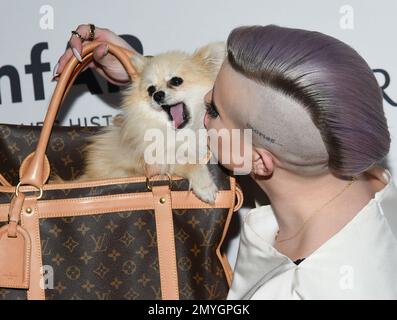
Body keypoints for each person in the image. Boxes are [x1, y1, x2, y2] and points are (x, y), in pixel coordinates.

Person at [55, 24, 397, 299]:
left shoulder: (311, 287)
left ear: (258, 161)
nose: (202, 105)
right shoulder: (372, 184)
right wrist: (135, 64)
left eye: (214, 110)